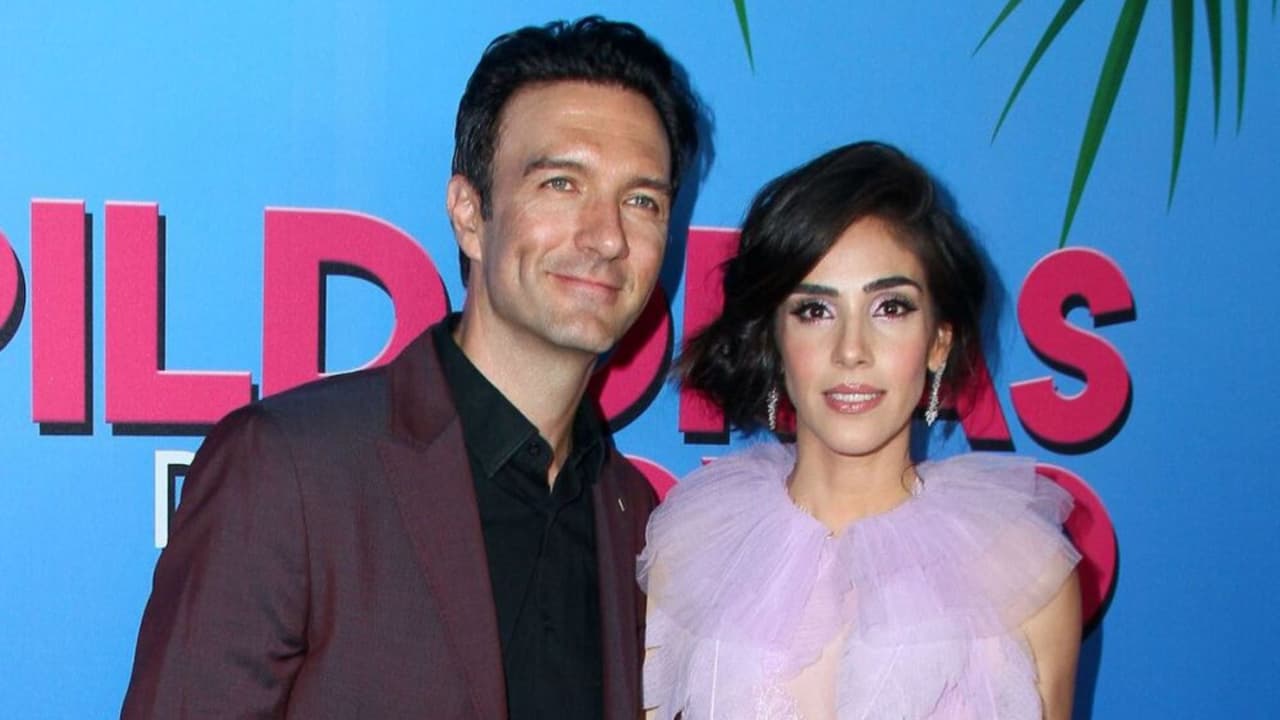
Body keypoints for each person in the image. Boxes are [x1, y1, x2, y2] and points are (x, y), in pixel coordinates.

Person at [121, 16, 701, 720]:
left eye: (641, 201)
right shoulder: (289, 470)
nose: (607, 237)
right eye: (560, 184)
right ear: (469, 214)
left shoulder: (633, 514)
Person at [639, 142, 1081, 719]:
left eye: (890, 308)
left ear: (938, 341)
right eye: (814, 310)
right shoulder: (692, 551)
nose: (851, 350)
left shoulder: (1024, 574)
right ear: (774, 340)